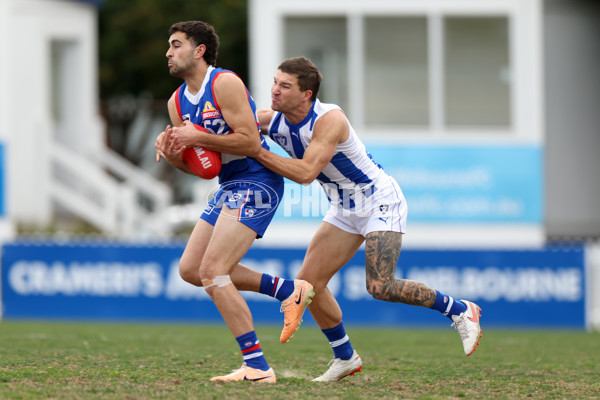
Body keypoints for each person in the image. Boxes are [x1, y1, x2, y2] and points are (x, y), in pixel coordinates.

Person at [254, 56, 483, 382]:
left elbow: (306, 173)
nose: (274, 91)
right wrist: (184, 136)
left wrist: (257, 151)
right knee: (308, 285)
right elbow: (227, 124)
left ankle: (459, 309)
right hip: (345, 208)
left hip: (379, 202)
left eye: (284, 86)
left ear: (306, 95)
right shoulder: (269, 119)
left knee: (380, 285)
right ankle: (345, 357)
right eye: (275, 82)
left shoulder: (328, 119)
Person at [154, 21, 315, 383]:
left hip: (258, 179)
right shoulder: (176, 102)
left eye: (176, 45)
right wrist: (175, 155)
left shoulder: (224, 83)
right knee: (191, 270)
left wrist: (197, 134)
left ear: (199, 51)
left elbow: (250, 142)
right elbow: (205, 170)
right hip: (229, 185)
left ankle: (257, 367)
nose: (168, 52)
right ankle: (289, 291)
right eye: (169, 46)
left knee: (213, 271)